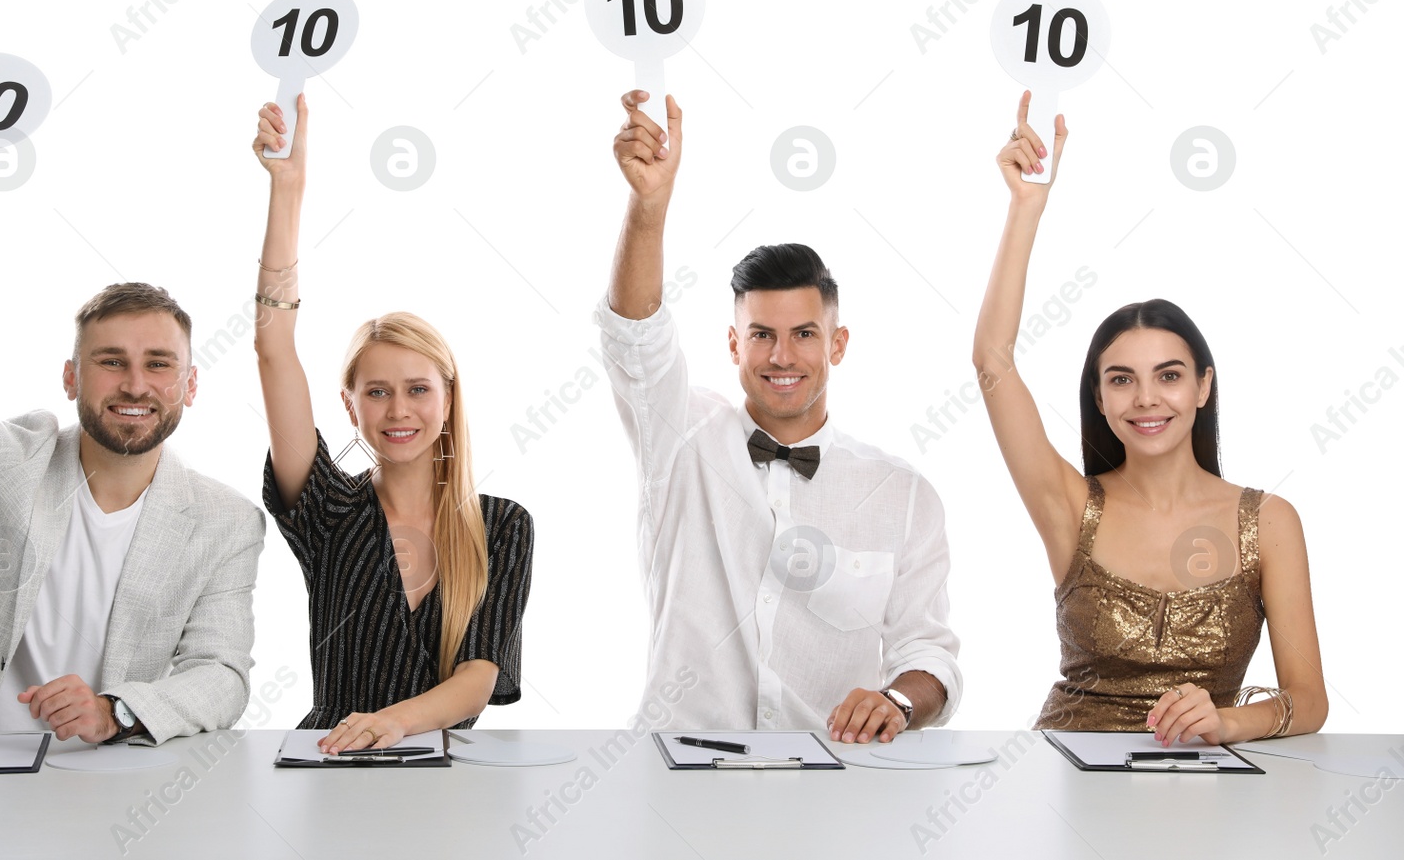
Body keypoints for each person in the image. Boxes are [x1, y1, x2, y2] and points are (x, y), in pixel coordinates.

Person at [598, 90, 961, 744]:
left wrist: (897, 702)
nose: (782, 355)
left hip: (836, 784)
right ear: (733, 344)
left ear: (838, 344)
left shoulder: (905, 497)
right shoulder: (680, 438)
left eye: (804, 334)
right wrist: (648, 206)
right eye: (761, 334)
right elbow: (635, 336)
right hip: (679, 773)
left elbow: (929, 656)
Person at [0, 161, 265, 746]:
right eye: (110, 361)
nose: (134, 384)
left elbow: (221, 675)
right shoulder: (5, 464)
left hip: (106, 783)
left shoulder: (227, 523)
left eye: (158, 364)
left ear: (191, 385)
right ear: (71, 378)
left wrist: (116, 711)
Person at [974, 92, 1329, 744]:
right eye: (1121, 379)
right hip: (1064, 774)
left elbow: (1308, 699)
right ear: (1100, 399)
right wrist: (1027, 208)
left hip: (1206, 786)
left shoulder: (1269, 521)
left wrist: (1228, 720)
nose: (1146, 398)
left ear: (1202, 387)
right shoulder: (1069, 504)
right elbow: (992, 361)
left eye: (1168, 375)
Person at [251, 97, 533, 753]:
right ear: (350, 406)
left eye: (416, 389)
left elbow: (477, 679)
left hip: (444, 783)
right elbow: (273, 350)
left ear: (448, 396)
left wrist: (394, 722)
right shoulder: (326, 507)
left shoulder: (503, 525)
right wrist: (287, 192)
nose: (398, 409)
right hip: (328, 767)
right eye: (376, 391)